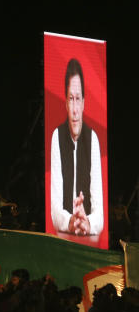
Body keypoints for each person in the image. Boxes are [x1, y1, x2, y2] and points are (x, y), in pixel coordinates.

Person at [50, 58, 104, 236]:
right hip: (62, 238)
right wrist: (71, 221)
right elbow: (55, 208)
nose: (74, 109)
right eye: (71, 99)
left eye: (78, 99)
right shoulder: (57, 136)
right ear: (65, 103)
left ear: (84, 103)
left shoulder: (92, 138)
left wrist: (87, 221)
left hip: (89, 239)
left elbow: (100, 213)